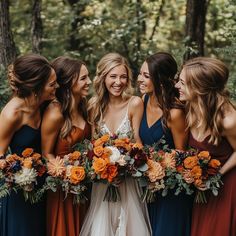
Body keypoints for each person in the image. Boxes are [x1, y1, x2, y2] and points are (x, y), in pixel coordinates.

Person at [80, 52, 151, 236]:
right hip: (102, 184)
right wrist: (103, 169)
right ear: (103, 77)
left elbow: (137, 143)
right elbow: (93, 147)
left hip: (127, 183)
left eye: (123, 77)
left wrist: (126, 167)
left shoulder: (134, 103)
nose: (118, 82)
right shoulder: (93, 106)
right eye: (113, 76)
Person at [175, 57, 236, 236]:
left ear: (200, 88)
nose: (177, 86)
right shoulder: (189, 108)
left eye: (182, 83)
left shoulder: (229, 120)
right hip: (203, 189)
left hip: (226, 187)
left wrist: (217, 175)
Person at [0, 54, 57, 236]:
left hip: (41, 187)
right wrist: (20, 173)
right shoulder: (12, 113)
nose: (57, 87)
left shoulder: (44, 105)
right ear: (36, 87)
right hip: (19, 189)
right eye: (52, 84)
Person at [138, 52, 193, 236]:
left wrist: (159, 166)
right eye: (140, 74)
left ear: (160, 80)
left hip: (171, 191)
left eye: (146, 76)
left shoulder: (175, 112)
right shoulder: (142, 102)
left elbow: (182, 154)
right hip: (147, 188)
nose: (140, 79)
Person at [41, 56, 91, 236]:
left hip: (83, 187)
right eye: (84, 78)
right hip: (62, 189)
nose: (89, 82)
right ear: (69, 81)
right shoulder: (55, 113)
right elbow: (46, 154)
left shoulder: (84, 107)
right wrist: (67, 174)